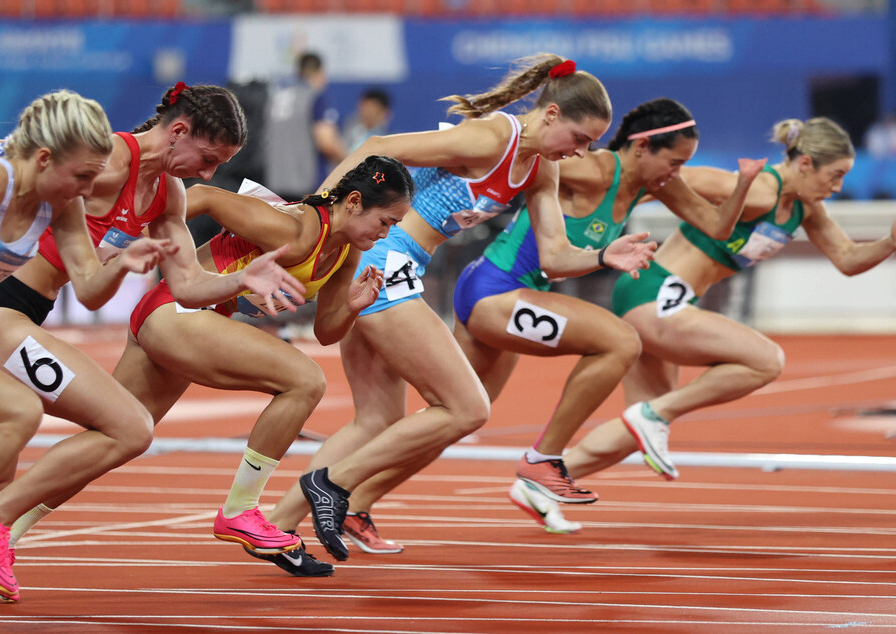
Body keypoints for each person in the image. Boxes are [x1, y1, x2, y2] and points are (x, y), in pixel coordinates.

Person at [264, 53, 656, 564]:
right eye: (580, 139)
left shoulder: (540, 171)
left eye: (591, 146)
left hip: (392, 265)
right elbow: (379, 147)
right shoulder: (493, 139)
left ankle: (276, 527)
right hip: (385, 259)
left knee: (377, 418)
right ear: (553, 115)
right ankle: (333, 485)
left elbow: (556, 256)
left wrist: (603, 254)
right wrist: (316, 211)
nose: (582, 153)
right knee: (467, 407)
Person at [334, 98, 767, 539]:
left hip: (518, 295)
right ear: (641, 149)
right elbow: (525, 158)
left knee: (450, 420)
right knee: (619, 341)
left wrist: (743, 185)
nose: (676, 173)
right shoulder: (590, 169)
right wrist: (479, 145)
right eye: (673, 162)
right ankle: (545, 460)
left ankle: (354, 503)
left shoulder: (656, 185)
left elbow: (715, 226)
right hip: (495, 291)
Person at [0, 82, 308, 603]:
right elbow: (14, 167)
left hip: (21, 310)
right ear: (178, 130)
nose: (209, 174)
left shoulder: (167, 192)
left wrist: (240, 279)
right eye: (207, 159)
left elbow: (181, 286)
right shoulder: (102, 161)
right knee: (124, 425)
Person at [3, 155, 414, 580]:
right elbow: (201, 197)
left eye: (394, 226)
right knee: (305, 380)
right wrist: (133, 241)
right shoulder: (294, 226)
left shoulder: (345, 250)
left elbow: (327, 332)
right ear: (352, 202)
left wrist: (352, 307)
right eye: (385, 221)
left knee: (112, 441)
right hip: (177, 312)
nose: (387, 233)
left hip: (177, 320)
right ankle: (241, 510)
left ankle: (1, 523)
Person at [531, 116, 896, 531]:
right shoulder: (760, 190)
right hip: (653, 294)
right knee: (765, 360)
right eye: (836, 175)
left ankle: (540, 482)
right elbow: (667, 178)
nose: (838, 188)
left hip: (663, 301)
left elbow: (847, 259)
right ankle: (656, 415)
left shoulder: (804, 210)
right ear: (806, 163)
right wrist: (600, 196)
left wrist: (889, 242)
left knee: (636, 428)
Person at [0, 89, 173, 608]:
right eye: (84, 176)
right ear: (44, 158)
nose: (93, 189)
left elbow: (90, 289)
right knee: (11, 413)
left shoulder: (61, 205)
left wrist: (124, 260)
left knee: (11, 414)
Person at [262, 51, 348, 203]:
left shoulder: (275, 97)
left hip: (274, 183)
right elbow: (326, 142)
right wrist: (351, 162)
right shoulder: (314, 96)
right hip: (307, 185)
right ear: (320, 72)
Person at [342, 88, 392, 154]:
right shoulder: (345, 131)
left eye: (373, 111)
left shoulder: (388, 140)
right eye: (366, 108)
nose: (368, 114)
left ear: (384, 112)